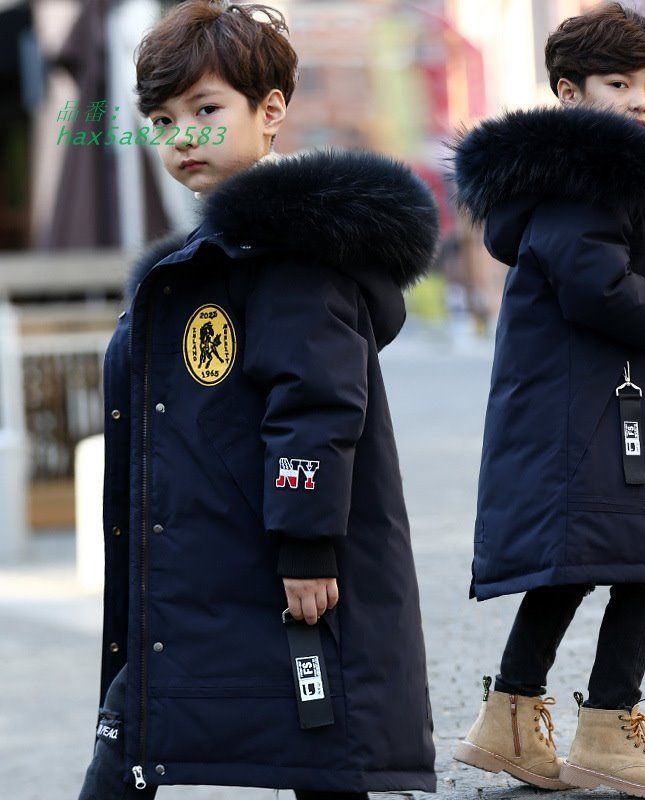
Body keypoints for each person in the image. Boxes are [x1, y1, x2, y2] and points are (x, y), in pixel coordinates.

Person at [77, 2, 439, 798]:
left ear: (270, 112)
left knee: (317, 744)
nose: (184, 135)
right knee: (286, 747)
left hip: (274, 562)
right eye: (163, 120)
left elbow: (316, 401)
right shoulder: (207, 259)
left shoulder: (288, 251)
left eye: (206, 110)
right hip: (207, 564)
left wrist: (307, 544)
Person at [448, 4, 645, 798]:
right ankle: (608, 727)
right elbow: (593, 282)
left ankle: (508, 720)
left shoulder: (576, 175)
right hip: (599, 411)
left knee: (585, 559)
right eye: (619, 84)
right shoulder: (588, 176)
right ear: (570, 93)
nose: (641, 102)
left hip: (590, 405)